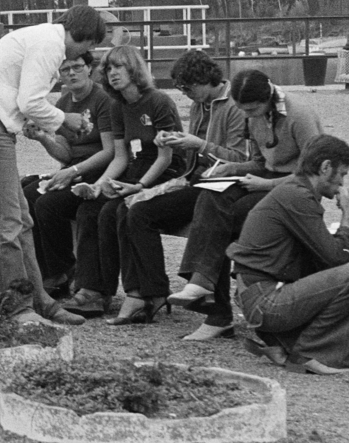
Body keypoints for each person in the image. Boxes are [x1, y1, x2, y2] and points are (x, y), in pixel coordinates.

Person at [0, 5, 108, 325]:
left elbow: (25, 103)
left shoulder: (41, 38)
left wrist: (55, 124)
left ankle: (38, 300)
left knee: (21, 218)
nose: (87, 52)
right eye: (90, 44)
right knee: (7, 222)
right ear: (83, 36)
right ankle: (13, 307)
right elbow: (31, 102)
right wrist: (66, 118)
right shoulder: (50, 45)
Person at [169, 69, 323, 338]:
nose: (249, 116)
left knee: (230, 215)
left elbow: (315, 175)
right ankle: (202, 282)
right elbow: (261, 163)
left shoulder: (299, 114)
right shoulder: (255, 115)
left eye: (252, 110)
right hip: (268, 178)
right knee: (209, 196)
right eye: (244, 111)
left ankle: (216, 312)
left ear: (267, 98)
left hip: (295, 189)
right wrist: (231, 168)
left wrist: (267, 185)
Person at [116, 50, 250, 340]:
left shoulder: (235, 106)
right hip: (195, 181)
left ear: (205, 80)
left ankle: (214, 309)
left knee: (208, 215)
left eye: (189, 88)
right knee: (136, 211)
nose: (186, 95)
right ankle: (154, 293)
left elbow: (239, 157)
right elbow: (196, 153)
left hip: (223, 186)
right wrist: (175, 142)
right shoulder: (202, 104)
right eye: (181, 89)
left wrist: (198, 144)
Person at [226, 135, 349, 375]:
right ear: (325, 167)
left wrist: (345, 234)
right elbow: (336, 258)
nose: (342, 182)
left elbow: (324, 254)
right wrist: (346, 217)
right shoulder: (297, 196)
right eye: (343, 174)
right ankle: (311, 353)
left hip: (258, 295)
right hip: (266, 301)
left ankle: (286, 342)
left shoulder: (294, 192)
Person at [67, 44, 187, 324]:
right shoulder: (118, 105)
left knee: (121, 211)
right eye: (108, 68)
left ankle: (145, 292)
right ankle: (101, 290)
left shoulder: (158, 101)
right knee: (92, 209)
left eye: (118, 67)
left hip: (166, 172)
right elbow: (121, 157)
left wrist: (140, 187)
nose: (112, 73)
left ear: (134, 69)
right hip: (135, 170)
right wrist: (98, 185)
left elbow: (166, 156)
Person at [24, 51, 117, 297]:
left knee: (48, 203)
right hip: (74, 167)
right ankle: (48, 271)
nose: (72, 73)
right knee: (27, 194)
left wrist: (73, 172)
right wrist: (43, 137)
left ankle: (63, 269)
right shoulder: (63, 104)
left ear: (89, 68)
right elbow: (65, 153)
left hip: (98, 169)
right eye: (65, 70)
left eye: (77, 67)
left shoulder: (102, 99)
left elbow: (110, 151)